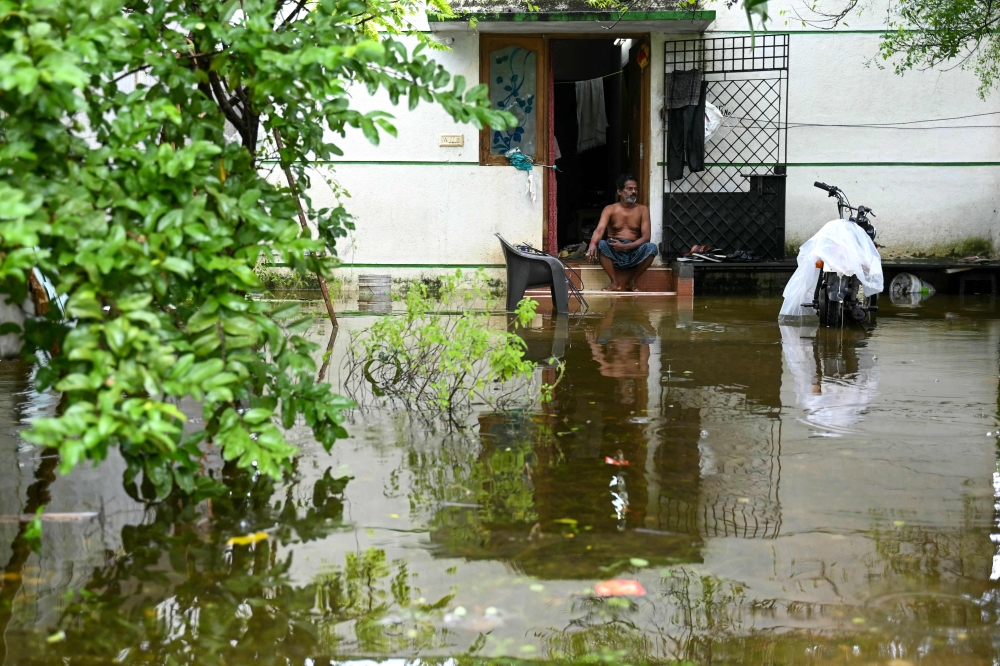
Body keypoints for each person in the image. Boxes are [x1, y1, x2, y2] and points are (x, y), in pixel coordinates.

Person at [585, 174, 658, 292]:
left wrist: (625, 246)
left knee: (652, 247)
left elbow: (646, 237)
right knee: (602, 244)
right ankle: (614, 283)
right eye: (629, 189)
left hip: (634, 250)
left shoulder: (642, 209)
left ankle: (632, 281)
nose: (633, 192)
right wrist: (592, 243)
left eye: (635, 189)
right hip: (614, 251)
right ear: (619, 191)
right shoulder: (610, 209)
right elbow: (599, 230)